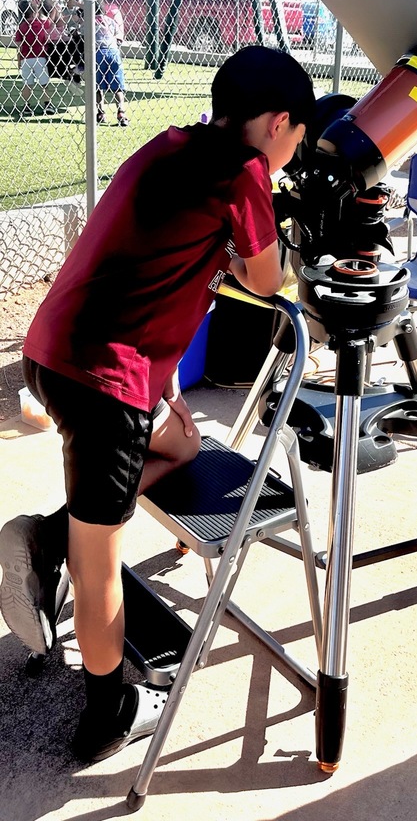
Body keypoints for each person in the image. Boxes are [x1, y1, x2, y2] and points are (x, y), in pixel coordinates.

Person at [0, 45, 316, 765]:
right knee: (101, 564)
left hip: (52, 350)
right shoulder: (244, 174)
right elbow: (267, 280)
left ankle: (52, 538)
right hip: (102, 377)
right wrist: (251, 247)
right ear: (276, 124)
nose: (292, 152)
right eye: (296, 137)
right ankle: (107, 710)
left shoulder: (170, 142)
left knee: (179, 444)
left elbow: (150, 246)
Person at [14, 0, 57, 116]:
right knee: (44, 84)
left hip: (26, 59)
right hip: (40, 57)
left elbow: (19, 45)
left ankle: (27, 106)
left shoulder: (22, 26)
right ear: (34, 13)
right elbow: (51, 22)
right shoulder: (42, 23)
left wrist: (19, 61)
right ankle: (48, 104)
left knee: (27, 84)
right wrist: (54, 9)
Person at [95, 0, 129, 125]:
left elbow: (82, 36)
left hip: (98, 52)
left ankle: (100, 113)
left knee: (97, 86)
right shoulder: (110, 21)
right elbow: (119, 37)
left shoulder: (89, 22)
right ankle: (121, 113)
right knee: (117, 86)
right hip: (113, 52)